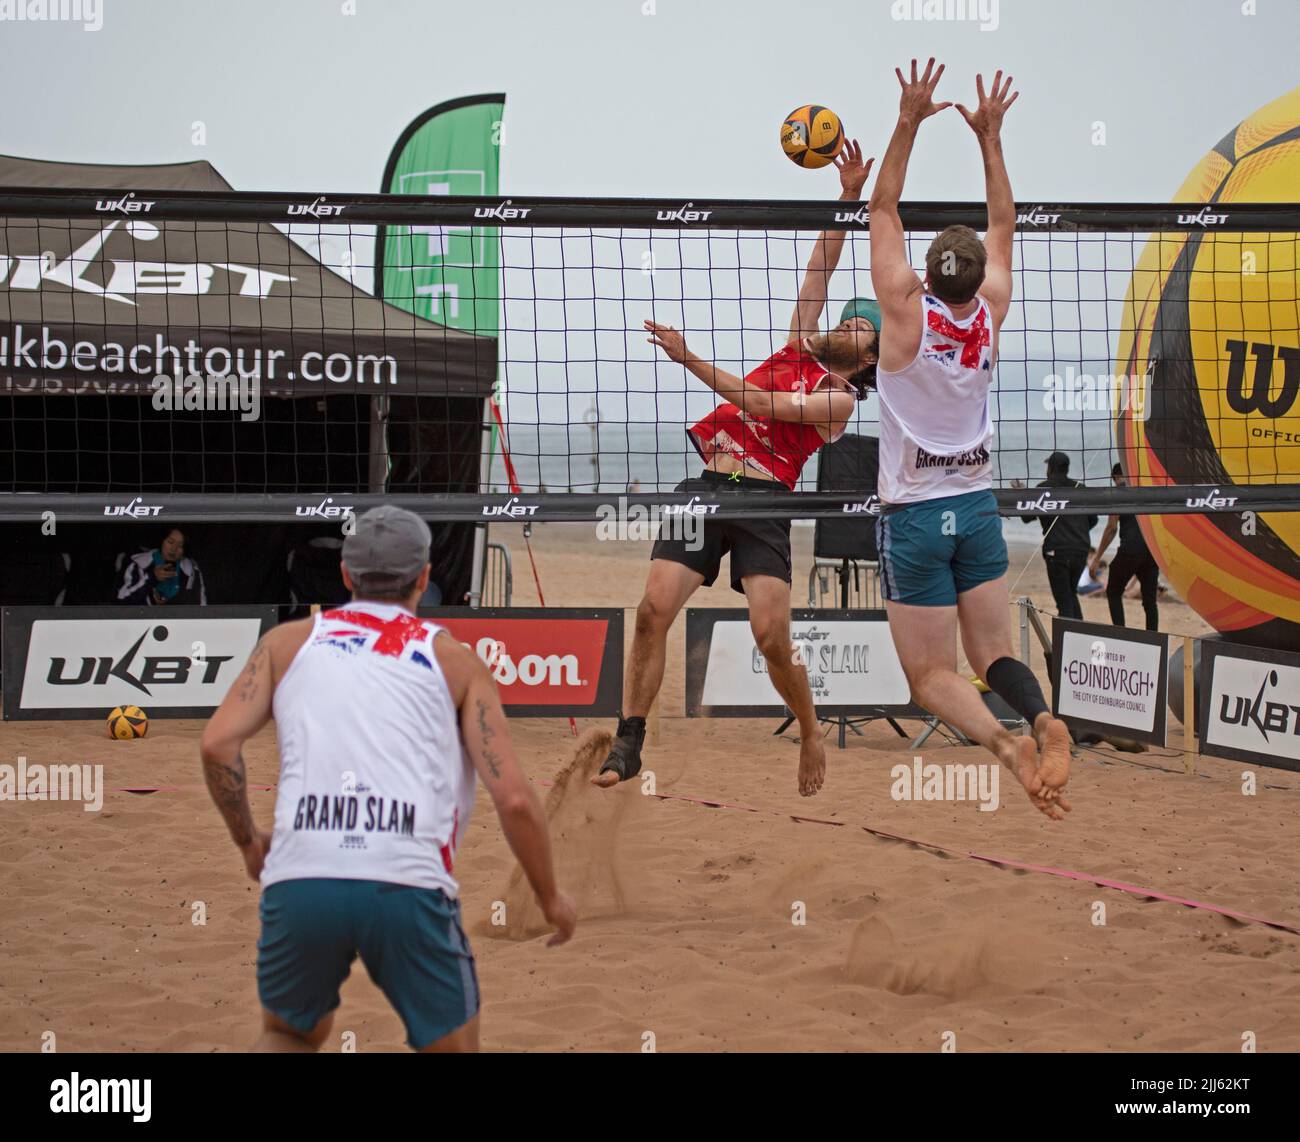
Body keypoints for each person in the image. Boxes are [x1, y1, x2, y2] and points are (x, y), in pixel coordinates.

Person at [199, 505, 575, 1052]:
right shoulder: (457, 664)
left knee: (287, 1035)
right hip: (406, 883)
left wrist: (248, 842)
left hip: (304, 877)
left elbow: (217, 744)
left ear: (346, 576)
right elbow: (515, 800)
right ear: (425, 577)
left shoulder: (285, 644)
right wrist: (549, 897)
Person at [596, 140, 880, 797]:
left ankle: (808, 726)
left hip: (764, 504)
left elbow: (755, 402)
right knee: (651, 612)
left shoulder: (837, 402)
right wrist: (847, 198)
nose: (848, 323)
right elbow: (821, 265)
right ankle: (629, 740)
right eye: (850, 318)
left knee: (770, 637)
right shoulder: (801, 341)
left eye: (861, 327)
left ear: (869, 360)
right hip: (708, 488)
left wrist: (689, 359)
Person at [867, 59, 1070, 819]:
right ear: (978, 277)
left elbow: (882, 207)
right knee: (994, 655)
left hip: (917, 517)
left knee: (929, 676)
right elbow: (1004, 222)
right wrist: (990, 138)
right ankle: (1043, 718)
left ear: (924, 276)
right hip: (977, 509)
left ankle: (1006, 743)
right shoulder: (991, 308)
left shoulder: (901, 312)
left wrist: (908, 120)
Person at [1016, 452, 1097, 620]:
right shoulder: (1079, 489)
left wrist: (1021, 495)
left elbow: (1026, 517)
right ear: (1066, 468)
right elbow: (1093, 520)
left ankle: (1069, 640)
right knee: (1070, 594)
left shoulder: (1043, 489)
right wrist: (1077, 532)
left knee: (1064, 600)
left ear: (1051, 468)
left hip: (1057, 551)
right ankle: (1079, 634)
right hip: (1081, 549)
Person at [1091, 462, 1160, 630]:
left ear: (1115, 477)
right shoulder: (1146, 491)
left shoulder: (1118, 492)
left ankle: (1120, 634)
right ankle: (1153, 638)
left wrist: (1096, 558)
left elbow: (1111, 528)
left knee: (1114, 591)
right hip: (1151, 551)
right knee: (1150, 601)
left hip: (1130, 550)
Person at [117, 527, 206, 605]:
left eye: (180, 546)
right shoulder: (138, 564)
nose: (173, 549)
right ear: (162, 541)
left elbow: (201, 606)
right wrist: (152, 578)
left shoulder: (192, 570)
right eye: (170, 542)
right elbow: (122, 600)